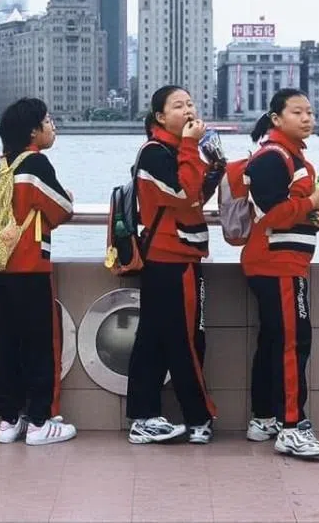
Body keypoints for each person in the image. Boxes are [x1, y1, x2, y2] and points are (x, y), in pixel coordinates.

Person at [242, 88, 319, 459]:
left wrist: (315, 216)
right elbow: (272, 214)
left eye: (310, 112)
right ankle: (291, 426)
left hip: (284, 262)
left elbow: (291, 214)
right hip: (276, 264)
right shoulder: (273, 157)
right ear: (276, 118)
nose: (307, 118)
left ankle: (265, 418)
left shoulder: (292, 157)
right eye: (297, 112)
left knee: (274, 341)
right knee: (292, 342)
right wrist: (312, 203)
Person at [126, 85, 220, 445]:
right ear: (160, 117)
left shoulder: (172, 150)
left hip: (170, 258)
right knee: (186, 340)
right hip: (173, 259)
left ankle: (144, 417)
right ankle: (198, 417)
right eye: (178, 106)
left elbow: (195, 195)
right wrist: (192, 147)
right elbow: (182, 196)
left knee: (154, 339)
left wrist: (212, 166)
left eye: (191, 104)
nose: (188, 110)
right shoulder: (155, 153)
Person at [0, 97, 77, 446]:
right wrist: (66, 195)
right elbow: (62, 208)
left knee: (4, 340)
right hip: (28, 266)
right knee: (39, 342)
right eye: (48, 121)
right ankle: (39, 421)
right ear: (33, 132)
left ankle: (8, 420)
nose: (53, 127)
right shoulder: (36, 165)